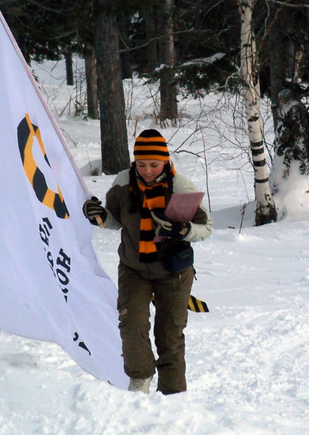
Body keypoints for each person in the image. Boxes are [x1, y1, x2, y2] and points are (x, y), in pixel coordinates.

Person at [82, 129, 212, 395]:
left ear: (165, 161)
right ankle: (139, 384)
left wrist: (183, 230)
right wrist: (99, 216)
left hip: (173, 272)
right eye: (141, 164)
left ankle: (173, 398)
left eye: (154, 164)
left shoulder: (181, 187)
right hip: (134, 269)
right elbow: (116, 219)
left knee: (169, 336)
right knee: (131, 326)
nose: (148, 170)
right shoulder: (122, 184)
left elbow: (206, 227)